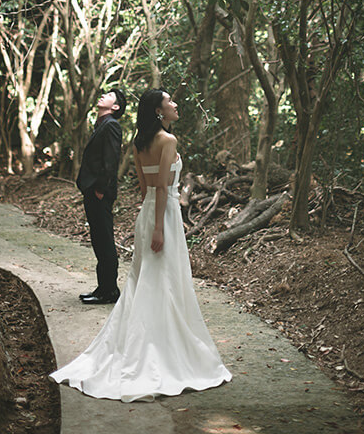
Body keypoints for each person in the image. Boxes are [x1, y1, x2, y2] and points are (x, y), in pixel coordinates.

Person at [51, 87, 232, 401]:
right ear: (159, 111)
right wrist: (160, 228)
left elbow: (145, 185)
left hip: (147, 213)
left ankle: (152, 339)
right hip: (164, 217)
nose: (175, 104)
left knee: (146, 279)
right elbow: (162, 187)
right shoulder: (168, 140)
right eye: (170, 101)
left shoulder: (140, 142)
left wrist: (152, 220)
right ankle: (161, 348)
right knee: (165, 280)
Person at [76, 87, 126, 305]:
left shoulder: (112, 126)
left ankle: (109, 290)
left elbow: (111, 160)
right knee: (98, 238)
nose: (103, 96)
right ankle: (104, 287)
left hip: (99, 193)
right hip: (92, 190)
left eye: (109, 96)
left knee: (104, 239)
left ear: (115, 107)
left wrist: (100, 190)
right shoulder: (102, 125)